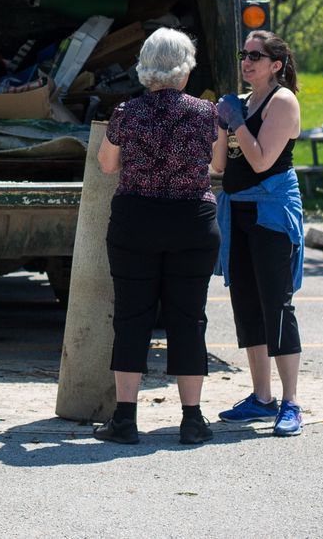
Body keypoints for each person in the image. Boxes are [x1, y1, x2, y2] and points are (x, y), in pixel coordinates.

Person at [92, 28, 227, 445]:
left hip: (137, 221)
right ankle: (191, 420)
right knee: (189, 318)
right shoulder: (208, 114)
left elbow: (107, 166)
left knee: (132, 317)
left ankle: (125, 420)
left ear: (146, 69)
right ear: (184, 71)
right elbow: (218, 167)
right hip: (192, 221)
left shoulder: (126, 113)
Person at [215, 29, 307, 437]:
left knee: (277, 305)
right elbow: (220, 166)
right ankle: (260, 397)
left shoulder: (282, 101)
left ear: (276, 65)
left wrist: (236, 121)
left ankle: (290, 402)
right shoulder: (244, 102)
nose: (247, 61)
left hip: (271, 212)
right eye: (244, 54)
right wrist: (222, 123)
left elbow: (261, 159)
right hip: (238, 210)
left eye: (257, 55)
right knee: (247, 304)